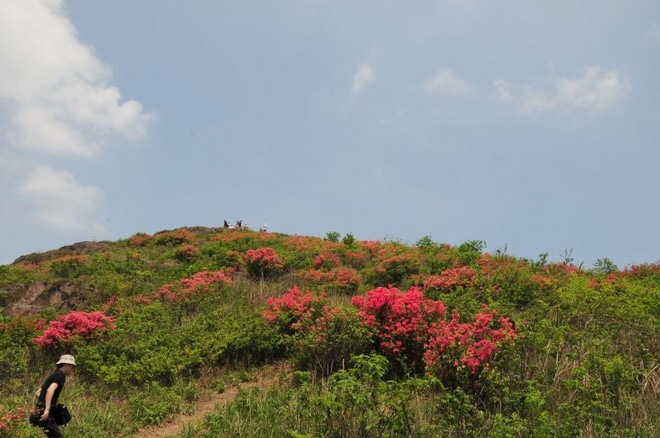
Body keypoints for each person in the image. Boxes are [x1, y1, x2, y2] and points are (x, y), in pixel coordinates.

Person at [33, 354, 76, 437]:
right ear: (66, 365)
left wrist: (44, 403)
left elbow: (38, 392)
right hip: (45, 414)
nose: (73, 369)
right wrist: (47, 409)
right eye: (72, 367)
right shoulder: (61, 376)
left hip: (39, 411)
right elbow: (50, 390)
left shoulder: (53, 375)